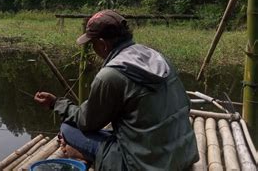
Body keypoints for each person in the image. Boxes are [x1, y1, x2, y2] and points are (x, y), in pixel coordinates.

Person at [34, 10, 199, 170]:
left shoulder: (111, 75)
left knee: (67, 129)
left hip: (144, 165)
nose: (93, 49)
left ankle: (84, 155)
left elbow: (86, 123)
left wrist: (56, 103)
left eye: (92, 44)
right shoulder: (158, 57)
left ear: (102, 44)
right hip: (183, 155)